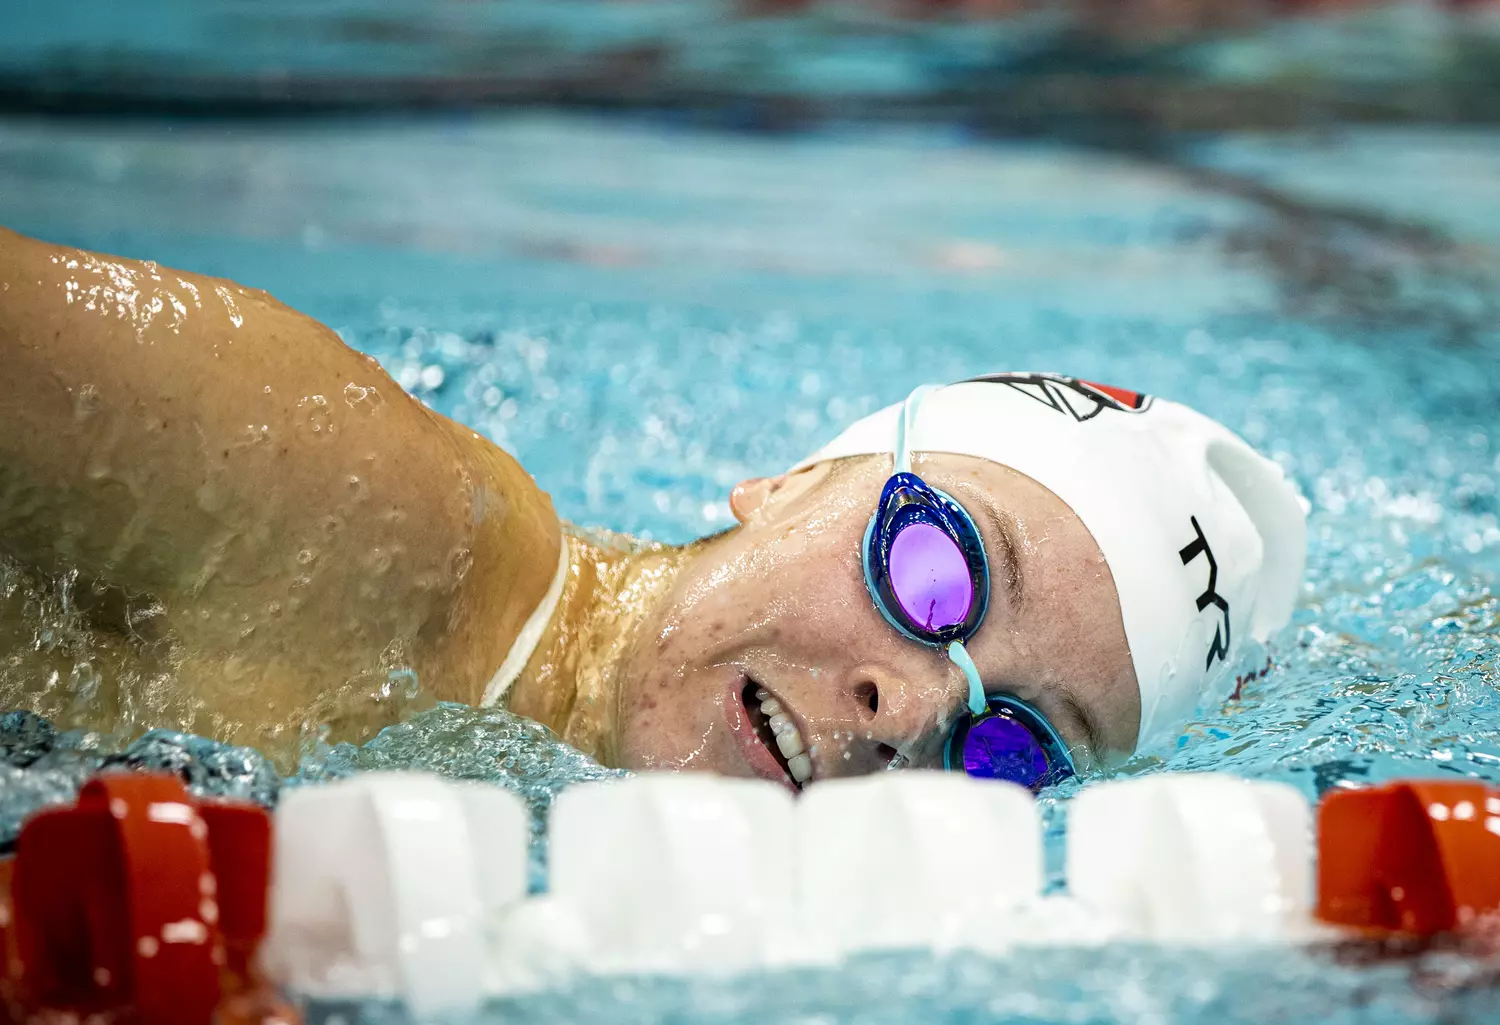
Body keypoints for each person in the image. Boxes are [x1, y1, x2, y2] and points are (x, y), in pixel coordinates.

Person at [0, 225, 1305, 787]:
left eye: (1013, 743)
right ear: (791, 481)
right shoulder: (338, 503)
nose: (910, 714)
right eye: (937, 576)